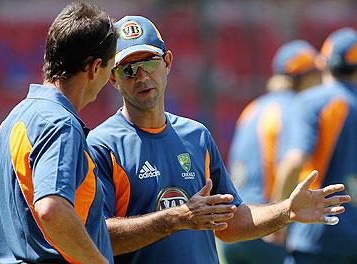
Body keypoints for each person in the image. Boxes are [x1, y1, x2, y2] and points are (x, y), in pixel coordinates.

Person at [87, 16, 350, 264]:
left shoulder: (196, 136)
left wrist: (287, 210)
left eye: (151, 63)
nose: (142, 77)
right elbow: (95, 236)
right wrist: (176, 219)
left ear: (167, 62)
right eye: (129, 69)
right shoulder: (103, 145)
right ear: (112, 77)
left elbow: (231, 220)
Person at [0, 2, 118, 263]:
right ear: (95, 68)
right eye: (110, 68)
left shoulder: (12, 122)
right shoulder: (60, 124)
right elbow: (51, 208)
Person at [222, 40, 321, 264]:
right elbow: (291, 163)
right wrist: (281, 219)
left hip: (235, 227)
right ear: (308, 77)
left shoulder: (253, 108)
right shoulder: (298, 108)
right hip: (265, 227)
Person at [274, 27, 357, 264]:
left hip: (316, 234)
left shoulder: (312, 101)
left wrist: (279, 216)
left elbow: (294, 161)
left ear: (324, 62)